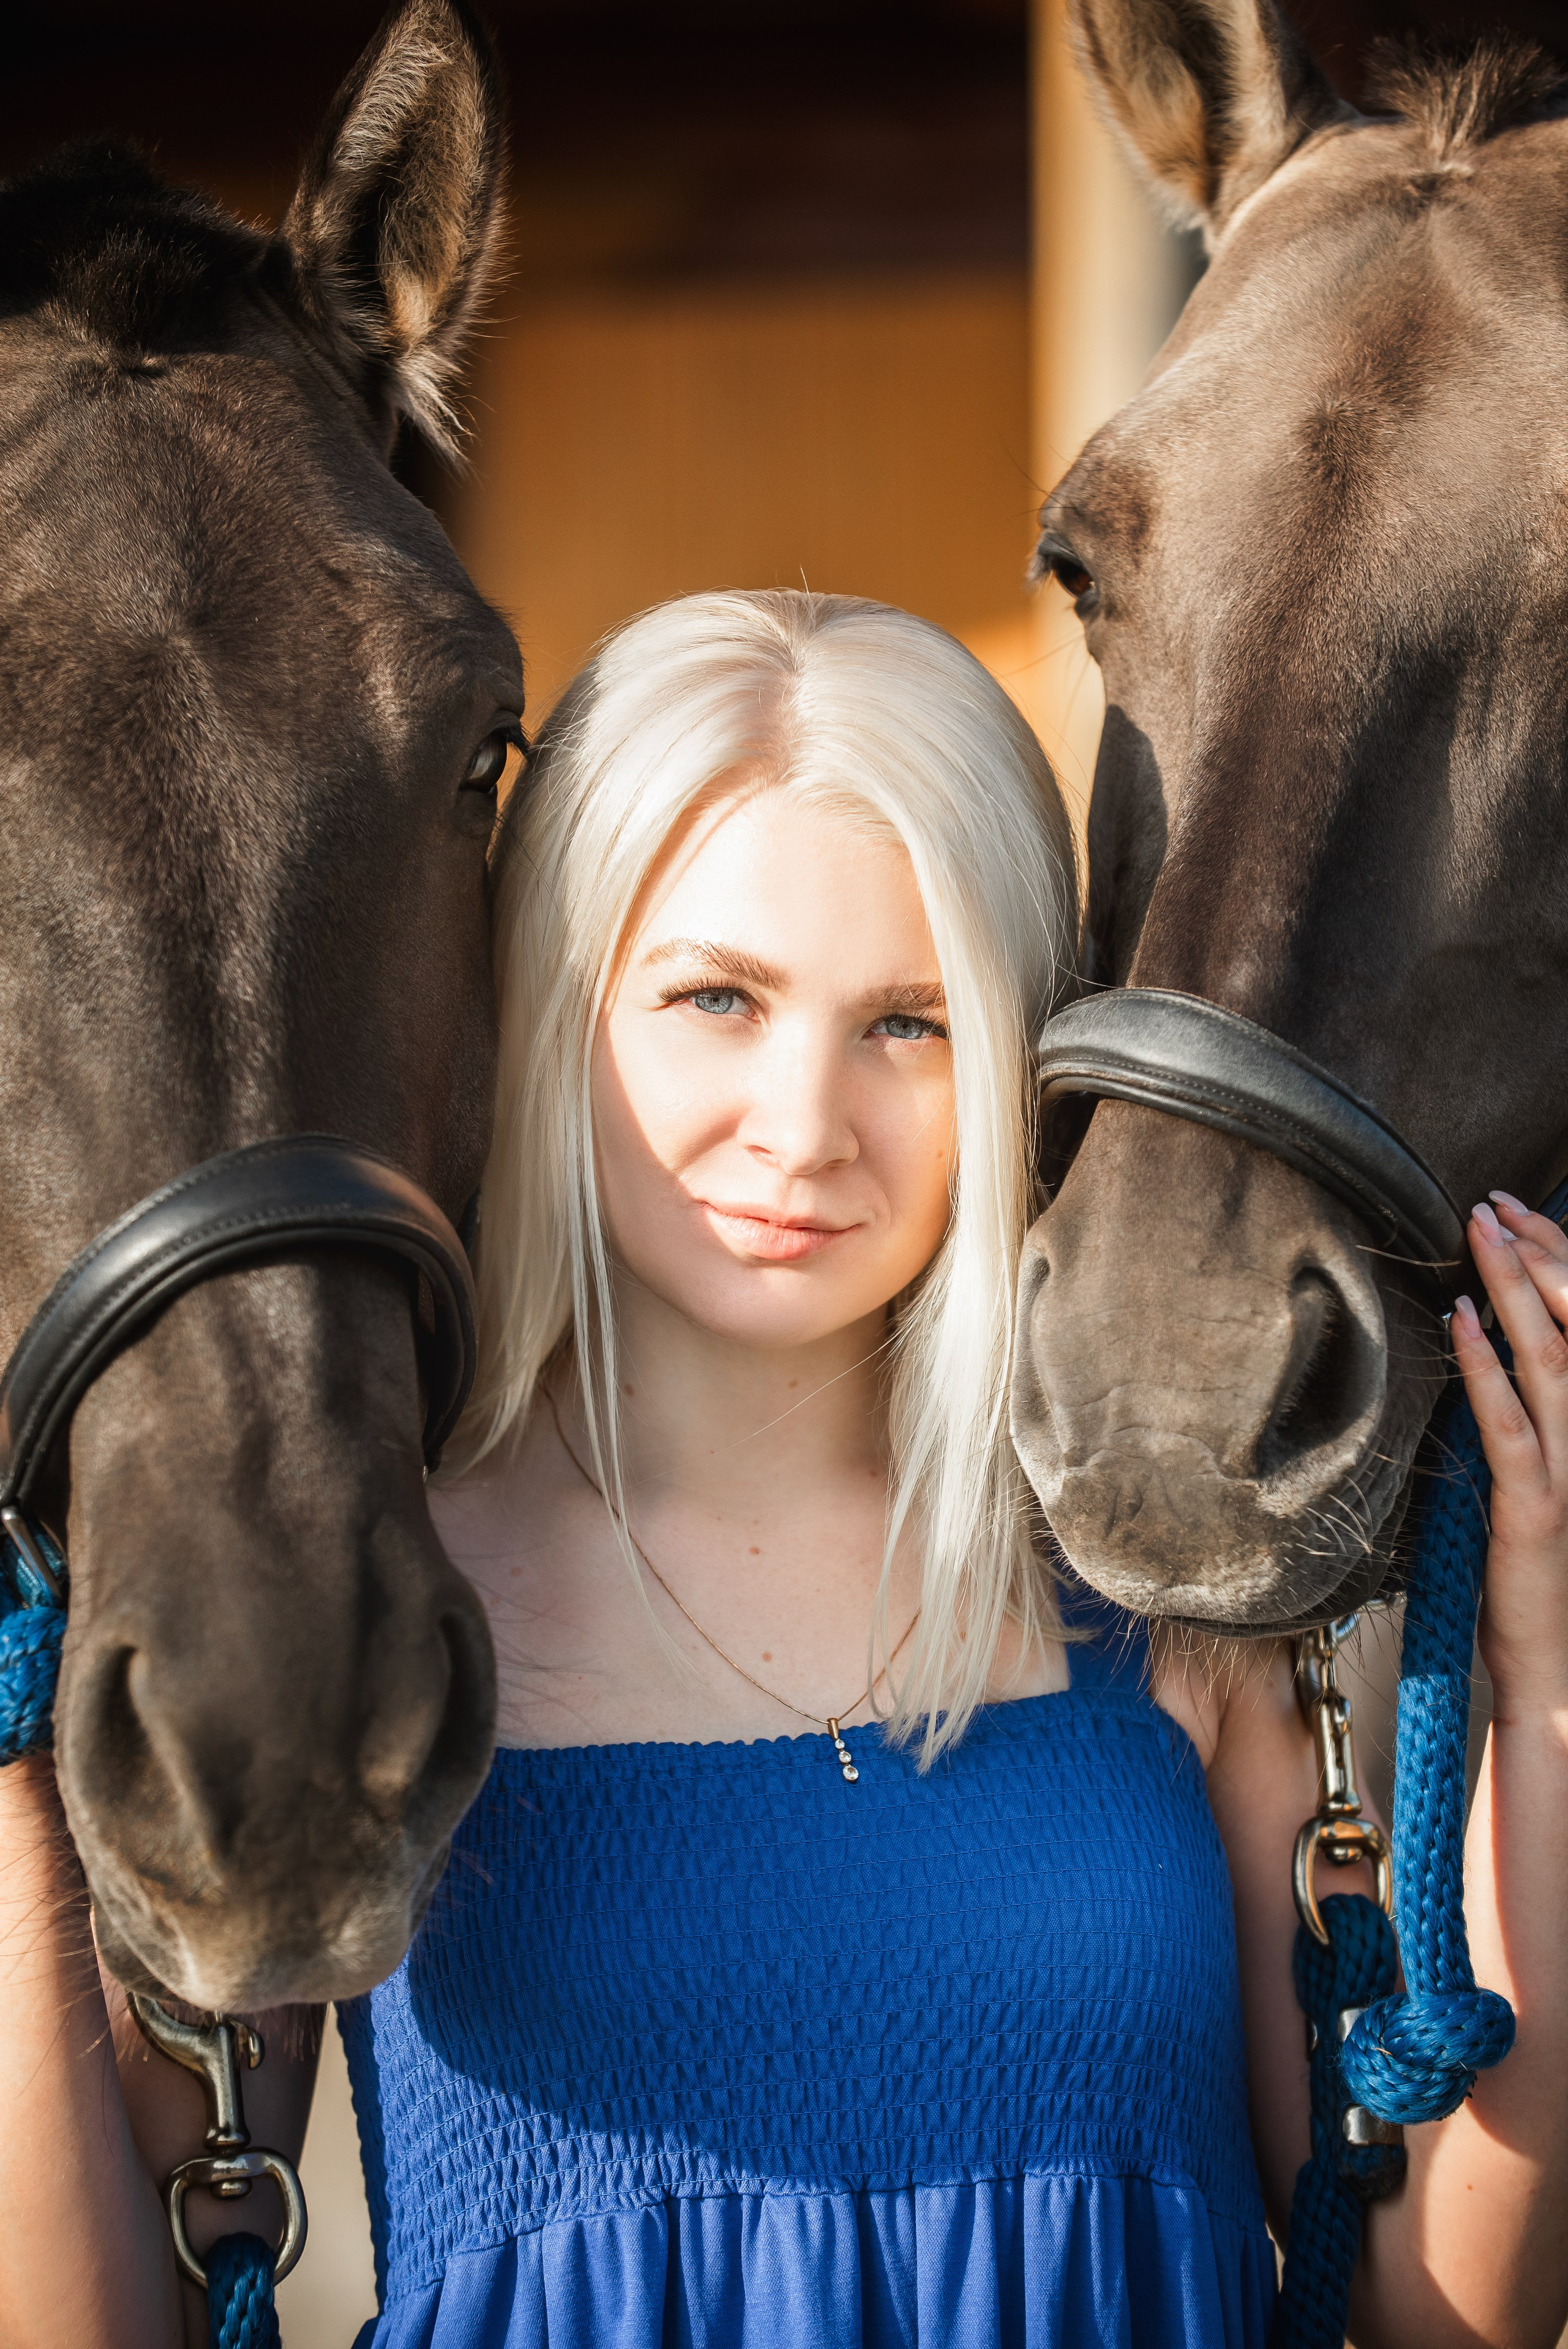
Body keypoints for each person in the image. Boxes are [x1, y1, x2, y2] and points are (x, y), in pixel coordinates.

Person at [4, 587, 1568, 2349]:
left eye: (911, 1022)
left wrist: (1549, 1680)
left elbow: (1445, 2316)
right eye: (718, 997)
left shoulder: (1144, 1584)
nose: (805, 1125)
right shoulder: (371, 1603)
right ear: (552, 1003)